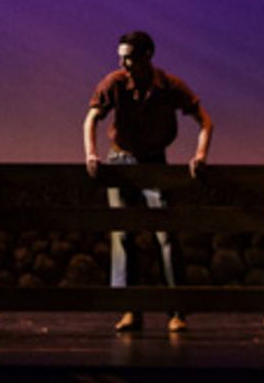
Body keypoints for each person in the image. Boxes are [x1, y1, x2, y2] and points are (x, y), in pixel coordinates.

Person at [83, 30, 212, 334]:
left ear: (146, 56)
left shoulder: (168, 86)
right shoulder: (114, 83)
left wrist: (200, 155)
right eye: (121, 56)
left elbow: (205, 121)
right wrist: (91, 154)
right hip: (121, 161)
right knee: (123, 235)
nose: (122, 62)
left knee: (165, 234)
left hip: (155, 162)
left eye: (128, 57)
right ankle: (130, 309)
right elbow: (91, 119)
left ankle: (177, 311)